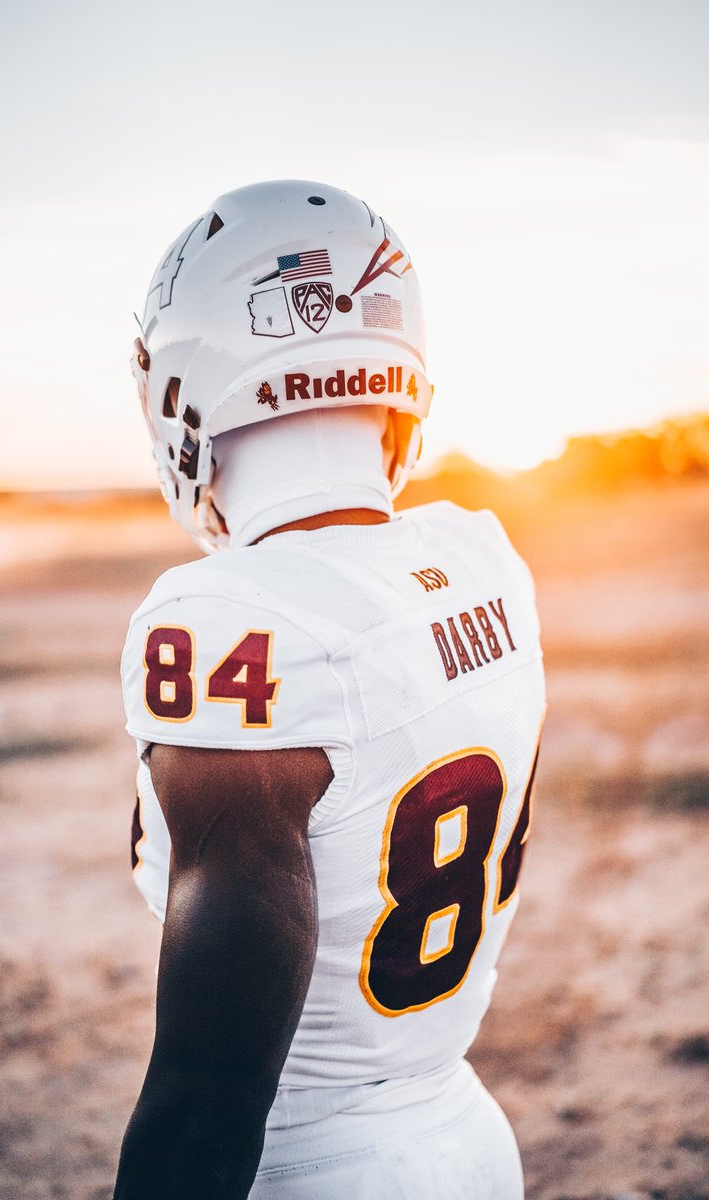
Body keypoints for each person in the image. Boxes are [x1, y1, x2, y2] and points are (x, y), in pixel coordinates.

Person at [114, 180, 545, 1200]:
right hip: (464, 1132)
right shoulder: (481, 554)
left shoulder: (228, 615)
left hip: (312, 1163)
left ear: (185, 380)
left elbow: (207, 1093)